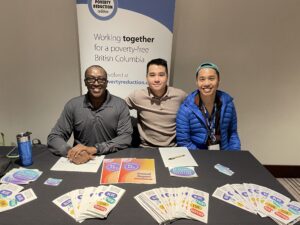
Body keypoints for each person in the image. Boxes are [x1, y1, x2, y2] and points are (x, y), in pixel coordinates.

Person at [47, 65, 133, 164]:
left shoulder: (120, 105)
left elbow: (126, 137)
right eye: (91, 79)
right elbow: (54, 137)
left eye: (101, 80)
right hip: (79, 161)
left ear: (106, 83)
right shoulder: (73, 105)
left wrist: (94, 149)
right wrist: (71, 152)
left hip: (110, 160)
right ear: (85, 82)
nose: (96, 83)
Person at [176, 62, 241, 150]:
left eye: (211, 78)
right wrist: (204, 158)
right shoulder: (186, 108)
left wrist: (234, 155)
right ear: (197, 82)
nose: (206, 83)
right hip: (198, 156)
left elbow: (233, 133)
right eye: (202, 79)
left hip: (224, 153)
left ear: (218, 81)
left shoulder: (228, 103)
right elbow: (183, 142)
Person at [126, 58, 187, 147]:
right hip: (146, 148)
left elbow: (196, 109)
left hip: (172, 149)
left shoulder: (180, 95)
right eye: (152, 75)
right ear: (146, 77)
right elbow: (118, 106)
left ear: (167, 77)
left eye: (161, 75)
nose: (156, 79)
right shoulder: (137, 96)